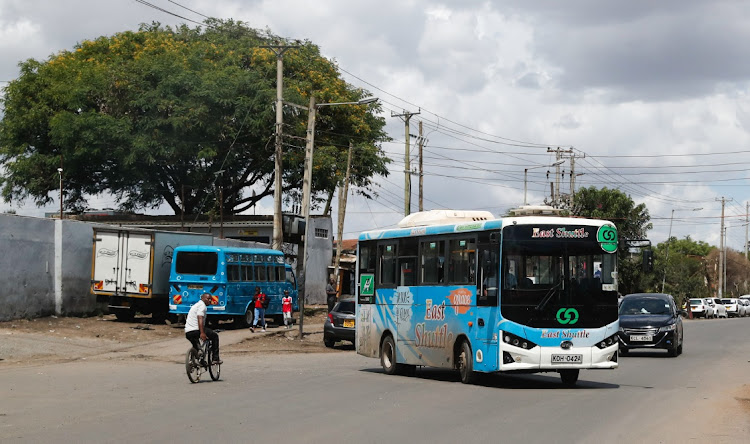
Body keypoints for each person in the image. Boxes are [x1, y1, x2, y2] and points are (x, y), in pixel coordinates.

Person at [185, 293, 221, 364]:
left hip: (188, 332)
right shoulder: (202, 306)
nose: (210, 300)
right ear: (202, 298)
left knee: (196, 346)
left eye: (211, 299)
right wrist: (202, 333)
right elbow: (200, 318)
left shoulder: (196, 305)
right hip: (196, 330)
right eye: (208, 299)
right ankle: (215, 358)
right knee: (215, 336)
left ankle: (198, 360)